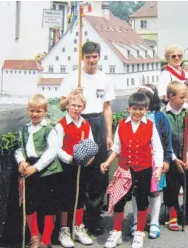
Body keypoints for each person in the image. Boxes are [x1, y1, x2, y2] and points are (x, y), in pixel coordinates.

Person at [58, 41, 115, 235]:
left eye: (94, 57)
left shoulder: (104, 78)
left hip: (97, 122)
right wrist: (71, 95)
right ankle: (76, 220)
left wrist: (109, 134)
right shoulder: (73, 77)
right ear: (82, 57)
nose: (91, 60)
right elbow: (61, 106)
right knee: (79, 172)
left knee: (99, 173)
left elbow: (107, 108)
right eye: (88, 57)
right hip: (77, 122)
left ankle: (94, 218)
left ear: (99, 57)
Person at [100, 92, 164, 248]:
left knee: (142, 200)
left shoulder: (150, 125)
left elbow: (157, 149)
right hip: (124, 168)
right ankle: (116, 232)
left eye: (142, 109)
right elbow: (116, 148)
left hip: (143, 168)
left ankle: (139, 233)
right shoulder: (122, 124)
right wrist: (107, 162)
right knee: (119, 200)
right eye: (135, 108)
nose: (138, 112)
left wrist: (159, 168)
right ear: (128, 108)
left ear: (146, 110)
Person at [14, 94, 62, 248]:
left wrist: (37, 167)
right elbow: (19, 148)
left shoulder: (49, 128)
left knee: (48, 205)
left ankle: (46, 239)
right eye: (32, 111)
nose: (35, 114)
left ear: (45, 111)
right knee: (29, 204)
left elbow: (52, 151)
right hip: (29, 168)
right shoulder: (24, 129)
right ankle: (35, 235)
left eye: (38, 111)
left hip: (47, 170)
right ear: (28, 110)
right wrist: (21, 160)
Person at [129, 84, 172, 239]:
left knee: (155, 190)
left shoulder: (160, 117)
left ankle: (154, 221)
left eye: (147, 95)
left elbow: (167, 140)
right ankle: (136, 221)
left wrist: (166, 160)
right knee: (136, 190)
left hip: (154, 161)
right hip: (136, 161)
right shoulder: (132, 117)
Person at [55, 91, 95, 247]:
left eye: (80, 106)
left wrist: (90, 157)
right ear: (67, 106)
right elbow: (57, 148)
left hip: (82, 166)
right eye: (73, 105)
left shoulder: (85, 123)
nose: (76, 109)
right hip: (68, 166)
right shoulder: (61, 125)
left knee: (80, 196)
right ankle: (64, 230)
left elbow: (91, 143)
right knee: (66, 197)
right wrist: (69, 158)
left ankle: (78, 228)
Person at [161, 81, 188, 231]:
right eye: (182, 96)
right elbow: (162, 140)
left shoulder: (187, 111)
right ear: (170, 97)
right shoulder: (162, 115)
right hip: (170, 158)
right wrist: (173, 158)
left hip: (185, 157)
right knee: (171, 187)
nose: (185, 99)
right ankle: (173, 215)